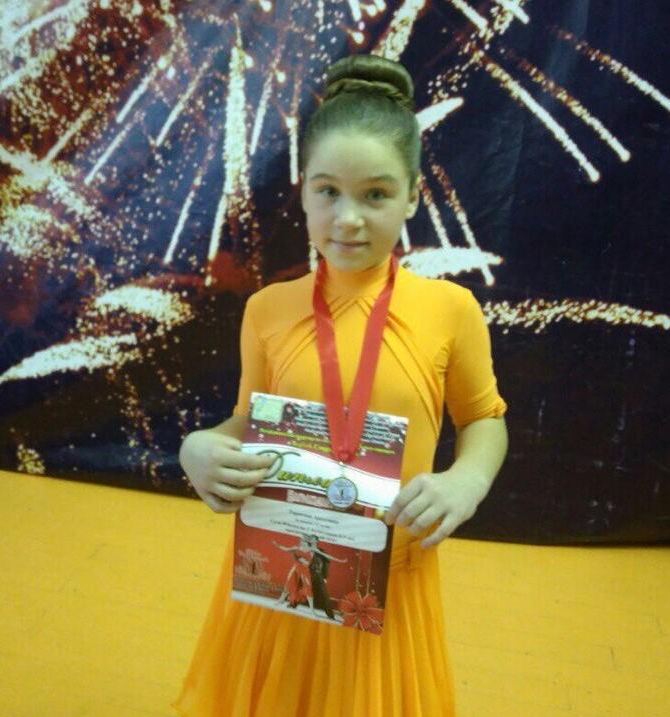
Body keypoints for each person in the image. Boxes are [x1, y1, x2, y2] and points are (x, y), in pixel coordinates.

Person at [173, 53, 508, 717]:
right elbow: (247, 419)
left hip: (388, 581)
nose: (348, 218)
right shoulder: (268, 310)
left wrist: (467, 481)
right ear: (303, 191)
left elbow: (484, 418)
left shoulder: (451, 310)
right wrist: (198, 446)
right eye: (328, 191)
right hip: (280, 574)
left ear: (413, 195)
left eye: (376, 195)